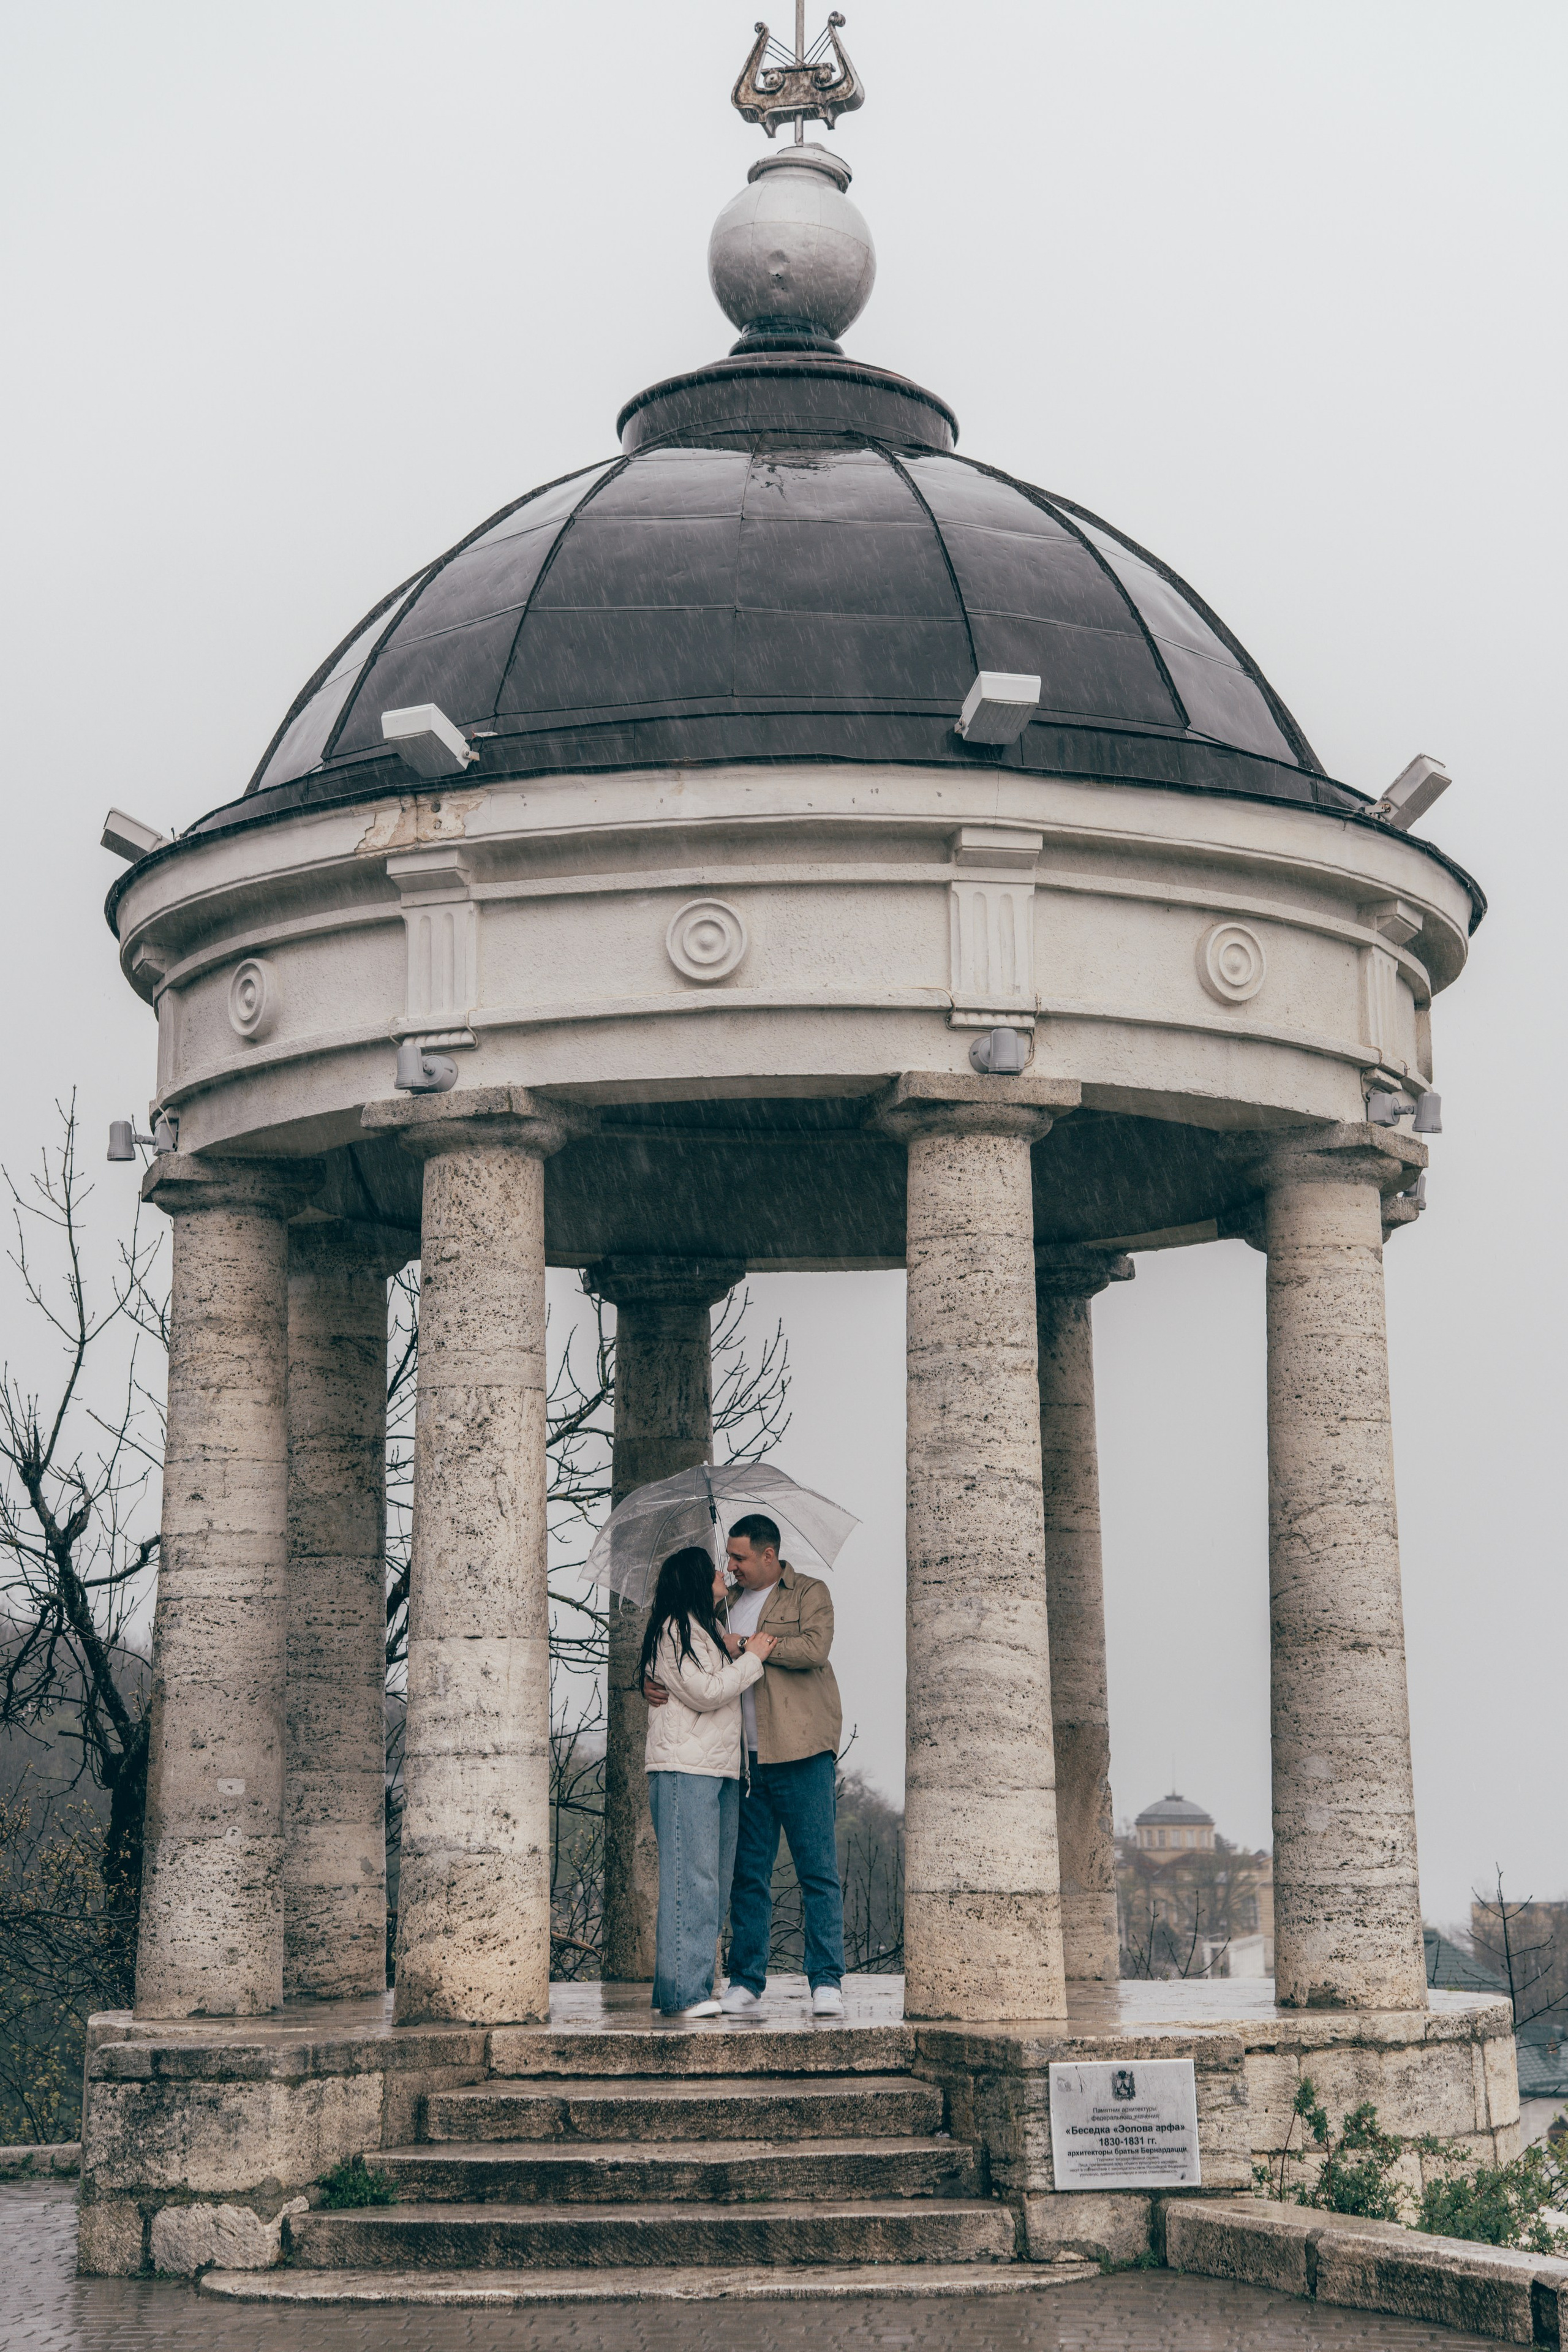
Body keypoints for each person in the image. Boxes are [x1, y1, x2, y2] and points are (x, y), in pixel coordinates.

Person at [647, 1512, 847, 2018]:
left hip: (801, 1751)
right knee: (747, 1875)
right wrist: (646, 1678)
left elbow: (815, 1648)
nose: (730, 1566)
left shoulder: (809, 1593)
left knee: (817, 1871)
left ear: (768, 1555)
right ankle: (745, 1979)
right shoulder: (721, 1604)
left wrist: (749, 1647)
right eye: (727, 1559)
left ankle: (826, 1981)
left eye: (738, 1557)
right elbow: (685, 1660)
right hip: (743, 1761)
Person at [638, 1545, 777, 2018]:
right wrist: (754, 1656)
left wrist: (738, 1644)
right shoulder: (674, 1628)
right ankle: (686, 1994)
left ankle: (682, 1987)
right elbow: (705, 1692)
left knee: (711, 1882)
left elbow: (713, 1669)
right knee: (690, 1882)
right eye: (715, 1568)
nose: (725, 1572)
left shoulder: (707, 1629)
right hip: (685, 1770)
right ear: (697, 1579)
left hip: (719, 1770)